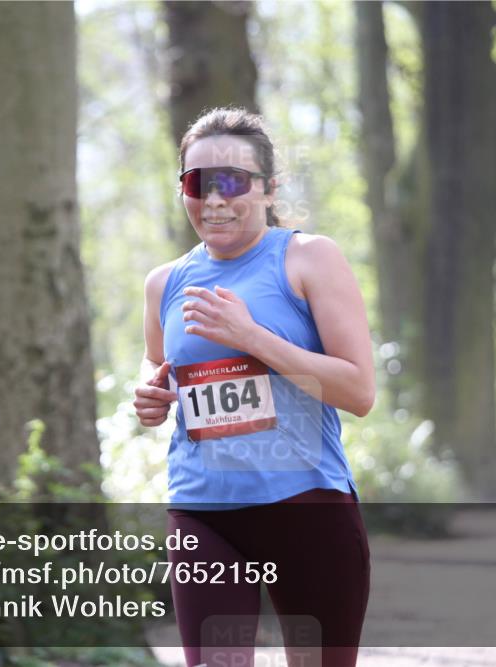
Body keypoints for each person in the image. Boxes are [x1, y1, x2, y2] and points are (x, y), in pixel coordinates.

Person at [133, 107, 374, 667]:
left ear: (269, 189)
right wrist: (147, 393)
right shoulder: (164, 283)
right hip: (203, 514)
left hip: (307, 509)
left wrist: (253, 337)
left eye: (231, 182)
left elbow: (359, 391)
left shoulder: (309, 259)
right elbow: (154, 364)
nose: (213, 200)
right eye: (198, 183)